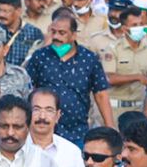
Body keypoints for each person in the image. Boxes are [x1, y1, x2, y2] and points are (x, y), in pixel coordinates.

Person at [25, 13, 114, 143]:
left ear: (73, 35)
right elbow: (28, 89)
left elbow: (100, 94)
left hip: (77, 133)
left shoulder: (89, 59)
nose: (56, 37)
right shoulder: (40, 57)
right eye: (53, 32)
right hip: (43, 131)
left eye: (62, 33)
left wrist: (110, 127)